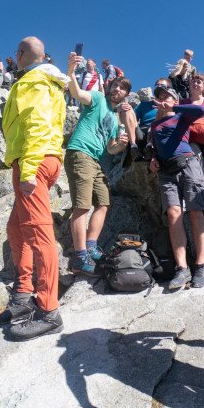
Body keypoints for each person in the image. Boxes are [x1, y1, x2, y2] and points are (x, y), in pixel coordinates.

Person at [0, 36, 68, 341]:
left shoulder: (34, 81)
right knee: (17, 228)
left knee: (39, 234)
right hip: (41, 159)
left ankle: (49, 310)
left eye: (16, 53)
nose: (14, 57)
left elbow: (36, 123)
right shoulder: (44, 79)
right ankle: (22, 297)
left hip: (33, 161)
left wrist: (27, 169)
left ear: (22, 54)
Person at [64, 53, 129, 275]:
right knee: (82, 205)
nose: (117, 90)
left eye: (122, 89)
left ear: (125, 96)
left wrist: (121, 145)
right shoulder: (98, 98)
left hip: (96, 160)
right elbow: (77, 93)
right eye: (115, 86)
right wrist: (71, 73)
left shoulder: (115, 118)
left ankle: (90, 247)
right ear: (109, 87)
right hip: (80, 153)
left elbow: (110, 148)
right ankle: (80, 256)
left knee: (103, 202)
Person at [149, 85, 204, 289]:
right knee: (174, 214)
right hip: (166, 171)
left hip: (188, 163)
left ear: (175, 100)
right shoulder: (154, 125)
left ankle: (201, 265)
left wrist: (175, 108)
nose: (163, 98)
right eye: (160, 96)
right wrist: (153, 159)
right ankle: (182, 268)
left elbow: (201, 111)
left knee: (195, 211)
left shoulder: (181, 116)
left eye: (168, 95)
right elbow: (157, 147)